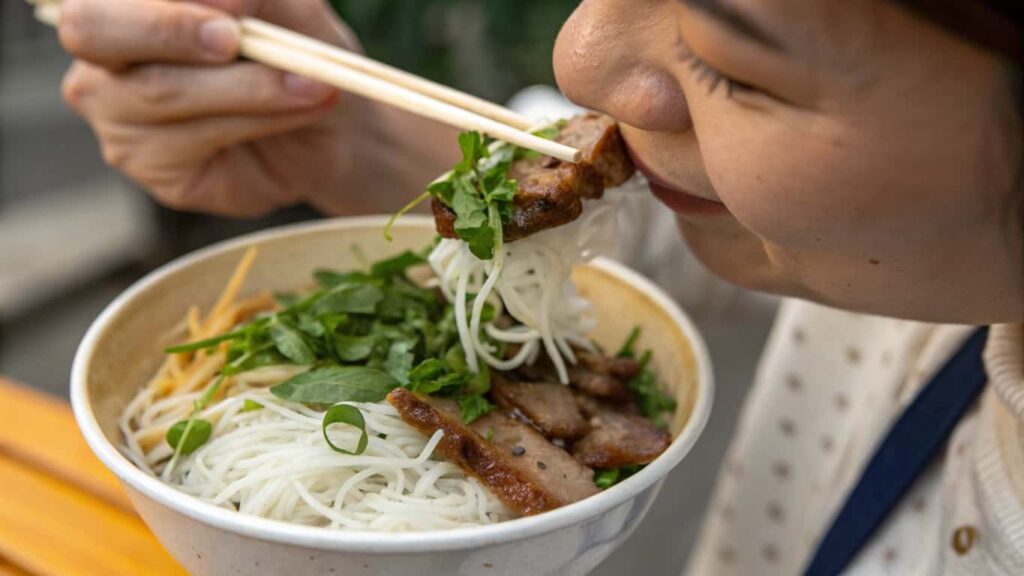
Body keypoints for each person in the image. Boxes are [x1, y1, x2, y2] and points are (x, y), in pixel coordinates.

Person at [55, 0, 1023, 574]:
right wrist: (336, 128)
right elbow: (665, 221)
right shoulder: (898, 259)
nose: (581, 60)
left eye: (735, 64)